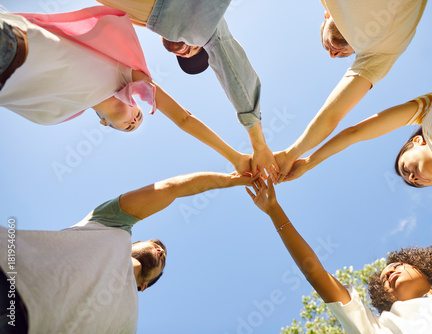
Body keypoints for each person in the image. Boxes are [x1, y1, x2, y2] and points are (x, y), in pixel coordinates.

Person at [0, 7, 252, 175]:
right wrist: (235, 157)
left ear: (104, 123)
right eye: (139, 116)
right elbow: (184, 118)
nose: (133, 119)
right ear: (135, 100)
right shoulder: (123, 75)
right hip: (13, 42)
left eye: (129, 126)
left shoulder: (55, 116)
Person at [0, 171, 257, 333]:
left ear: (144, 286)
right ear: (132, 243)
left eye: (163, 257)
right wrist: (236, 179)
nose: (160, 250)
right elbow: (171, 188)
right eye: (156, 244)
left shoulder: (129, 325)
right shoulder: (110, 225)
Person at [246, 178, 432, 333]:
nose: (388, 271)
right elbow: (316, 274)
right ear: (384, 299)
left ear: (425, 269)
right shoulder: (380, 327)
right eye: (383, 279)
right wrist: (274, 211)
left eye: (398, 265)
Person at [283, 41, 432, 219]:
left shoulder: (429, 111)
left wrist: (308, 162)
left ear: (416, 142)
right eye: (413, 182)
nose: (412, 178)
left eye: (405, 169)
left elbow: (353, 134)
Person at [94, 0, 279, 181]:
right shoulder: (199, 24)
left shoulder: (137, 20)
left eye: (183, 54)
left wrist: (235, 158)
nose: (185, 52)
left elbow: (183, 119)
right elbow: (233, 67)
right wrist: (258, 144)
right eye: (195, 47)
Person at [274, 0, 428, 182]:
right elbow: (332, 114)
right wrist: (291, 155)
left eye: (325, 45)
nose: (333, 54)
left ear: (326, 14)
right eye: (348, 54)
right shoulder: (378, 54)